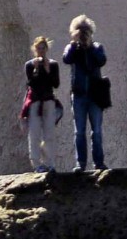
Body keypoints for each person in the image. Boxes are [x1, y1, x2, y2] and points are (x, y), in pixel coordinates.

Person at [62, 14, 108, 171]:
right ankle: (80, 164)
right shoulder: (72, 48)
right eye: (80, 32)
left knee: (97, 131)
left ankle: (99, 163)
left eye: (86, 32)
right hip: (79, 95)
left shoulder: (97, 47)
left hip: (95, 95)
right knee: (79, 132)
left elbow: (102, 60)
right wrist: (75, 45)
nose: (83, 35)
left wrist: (90, 47)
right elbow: (66, 59)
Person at [20, 36, 62, 172]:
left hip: (48, 101)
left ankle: (50, 163)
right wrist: (36, 69)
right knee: (34, 133)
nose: (41, 51)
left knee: (49, 134)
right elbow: (31, 83)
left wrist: (48, 70)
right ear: (34, 49)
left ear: (46, 49)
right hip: (35, 103)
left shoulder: (53, 64)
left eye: (43, 48)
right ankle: (37, 164)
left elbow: (56, 84)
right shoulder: (29, 65)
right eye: (38, 48)